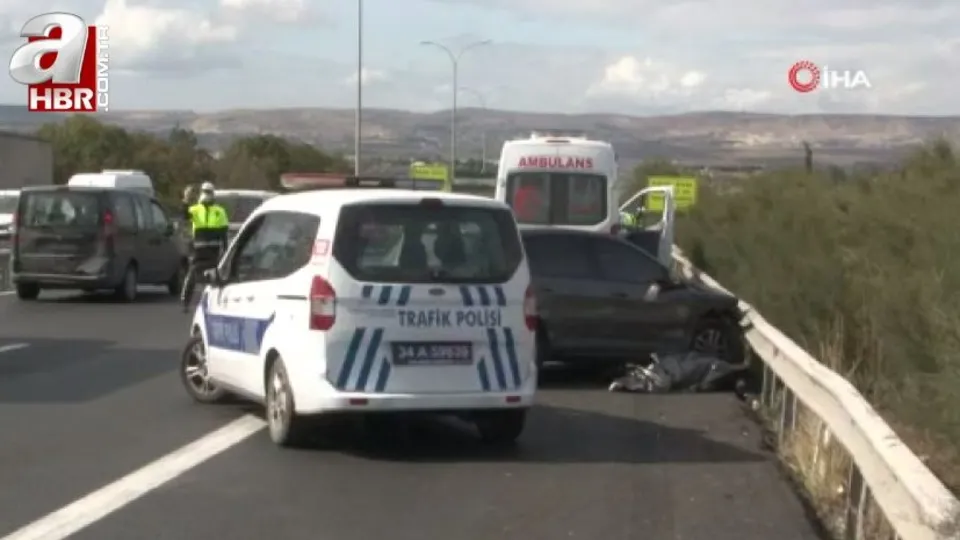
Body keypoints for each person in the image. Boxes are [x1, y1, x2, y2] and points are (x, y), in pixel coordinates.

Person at [180, 182, 230, 311]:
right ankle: (185, 303)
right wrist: (186, 198)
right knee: (192, 276)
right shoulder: (195, 209)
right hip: (199, 251)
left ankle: (221, 304)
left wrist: (226, 251)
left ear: (213, 194)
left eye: (209, 192)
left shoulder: (220, 211)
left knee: (218, 278)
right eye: (204, 191)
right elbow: (185, 215)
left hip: (214, 251)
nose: (206, 194)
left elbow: (224, 233)